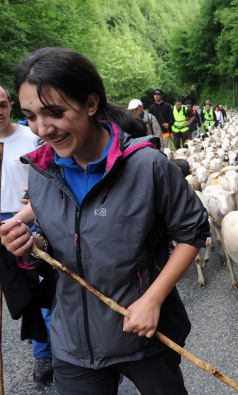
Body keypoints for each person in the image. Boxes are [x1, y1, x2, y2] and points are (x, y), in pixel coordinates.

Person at [1, 47, 210, 395]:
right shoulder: (40, 172)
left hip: (144, 332)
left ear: (91, 104)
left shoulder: (147, 166)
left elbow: (193, 232)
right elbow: (61, 242)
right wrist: (31, 245)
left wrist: (153, 299)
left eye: (54, 113)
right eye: (31, 116)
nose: (43, 128)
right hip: (73, 343)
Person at [0, 85, 54, 385]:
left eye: (3, 104)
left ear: (10, 106)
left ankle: (49, 352)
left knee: (40, 293)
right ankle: (44, 350)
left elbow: (46, 181)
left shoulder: (31, 138)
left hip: (27, 222)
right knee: (16, 293)